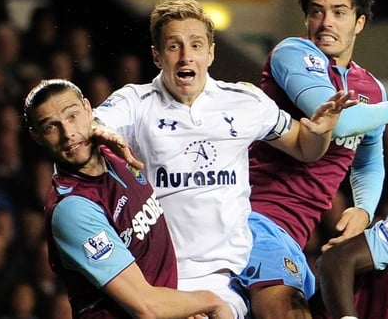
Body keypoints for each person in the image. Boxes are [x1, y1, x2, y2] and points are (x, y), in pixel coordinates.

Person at [92, 0, 355, 318]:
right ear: (157, 56)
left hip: (234, 268)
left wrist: (321, 130)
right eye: (174, 46)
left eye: (196, 45)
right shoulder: (134, 102)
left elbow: (304, 147)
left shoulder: (245, 102)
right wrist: (98, 131)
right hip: (168, 273)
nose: (186, 56)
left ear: (211, 52)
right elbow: (94, 125)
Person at [239, 0, 388, 319]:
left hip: (294, 236)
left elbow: (369, 162)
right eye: (316, 11)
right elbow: (334, 120)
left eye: (339, 12)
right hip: (252, 217)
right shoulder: (291, 53)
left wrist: (363, 209)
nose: (326, 22)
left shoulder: (371, 89)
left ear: (359, 22)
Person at [23, 78, 232, 318]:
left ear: (89, 109)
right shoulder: (73, 209)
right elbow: (145, 307)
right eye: (51, 127)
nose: (68, 133)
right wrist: (209, 301)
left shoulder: (117, 151)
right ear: (37, 137)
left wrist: (180, 306)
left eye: (73, 116)